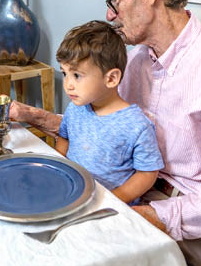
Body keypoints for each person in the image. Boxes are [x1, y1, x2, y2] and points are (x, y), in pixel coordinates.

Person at [10, 0, 201, 266]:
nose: (109, 15)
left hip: (193, 225)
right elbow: (102, 127)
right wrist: (34, 116)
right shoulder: (135, 62)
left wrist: (136, 213)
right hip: (134, 193)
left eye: (114, 0)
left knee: (73, 262)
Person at [54, 20, 163, 204]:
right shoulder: (75, 108)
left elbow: (148, 172)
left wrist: (113, 199)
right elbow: (65, 137)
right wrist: (58, 168)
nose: (68, 84)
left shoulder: (137, 126)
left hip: (108, 207)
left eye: (77, 75)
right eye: (65, 73)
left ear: (111, 78)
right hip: (71, 195)